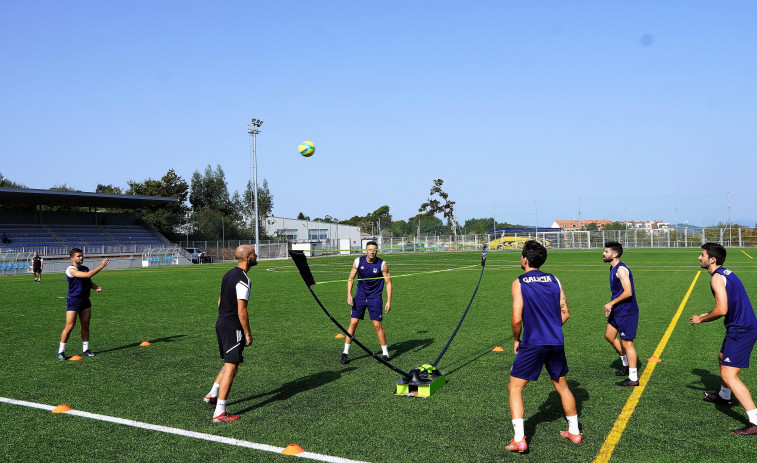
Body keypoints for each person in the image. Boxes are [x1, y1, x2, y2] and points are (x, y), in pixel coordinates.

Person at [506, 240, 581, 453]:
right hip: (556, 341)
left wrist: (516, 339)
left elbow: (516, 319)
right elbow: (565, 312)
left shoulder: (519, 282)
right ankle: (574, 432)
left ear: (525, 259)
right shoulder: (555, 280)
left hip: (533, 343)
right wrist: (552, 328)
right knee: (562, 387)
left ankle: (519, 439)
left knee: (515, 388)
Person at [690, 242, 757, 435]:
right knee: (722, 357)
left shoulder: (716, 278)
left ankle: (754, 421)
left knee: (729, 375)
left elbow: (721, 310)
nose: (699, 258)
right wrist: (703, 315)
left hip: (741, 329)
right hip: (741, 326)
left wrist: (702, 319)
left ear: (712, 259)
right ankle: (724, 396)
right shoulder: (726, 273)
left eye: (702, 255)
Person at [203, 245, 257, 422]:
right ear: (248, 258)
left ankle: (212, 394)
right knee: (232, 365)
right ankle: (219, 412)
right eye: (254, 254)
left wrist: (224, 317)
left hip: (222, 323)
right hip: (233, 326)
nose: (256, 256)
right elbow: (242, 311)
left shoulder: (228, 274)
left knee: (229, 362)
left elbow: (219, 300)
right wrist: (247, 333)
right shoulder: (243, 279)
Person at [341, 240, 393, 364]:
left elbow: (389, 283)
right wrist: (349, 294)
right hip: (359, 297)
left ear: (377, 251)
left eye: (374, 250)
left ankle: (385, 353)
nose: (372, 252)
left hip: (375, 298)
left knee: (377, 325)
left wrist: (388, 301)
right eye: (370, 250)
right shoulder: (358, 262)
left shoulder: (382, 264)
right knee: (353, 323)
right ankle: (345, 353)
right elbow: (351, 278)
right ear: (366, 250)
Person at [57, 248, 109, 360]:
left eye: (82, 256)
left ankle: (85, 349)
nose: (81, 258)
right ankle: (61, 352)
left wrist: (95, 287)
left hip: (85, 300)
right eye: (78, 256)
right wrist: (102, 266)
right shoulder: (70, 269)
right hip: (74, 300)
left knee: (85, 325)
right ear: (72, 258)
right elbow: (87, 275)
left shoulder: (85, 268)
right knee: (69, 326)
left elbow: (88, 281)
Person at [602, 241, 641, 386]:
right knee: (610, 336)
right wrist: (612, 307)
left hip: (627, 311)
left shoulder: (621, 270)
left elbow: (628, 292)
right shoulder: (613, 269)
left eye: (606, 251)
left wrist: (611, 303)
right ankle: (625, 364)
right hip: (617, 309)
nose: (603, 254)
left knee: (627, 343)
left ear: (615, 254)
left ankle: (633, 378)